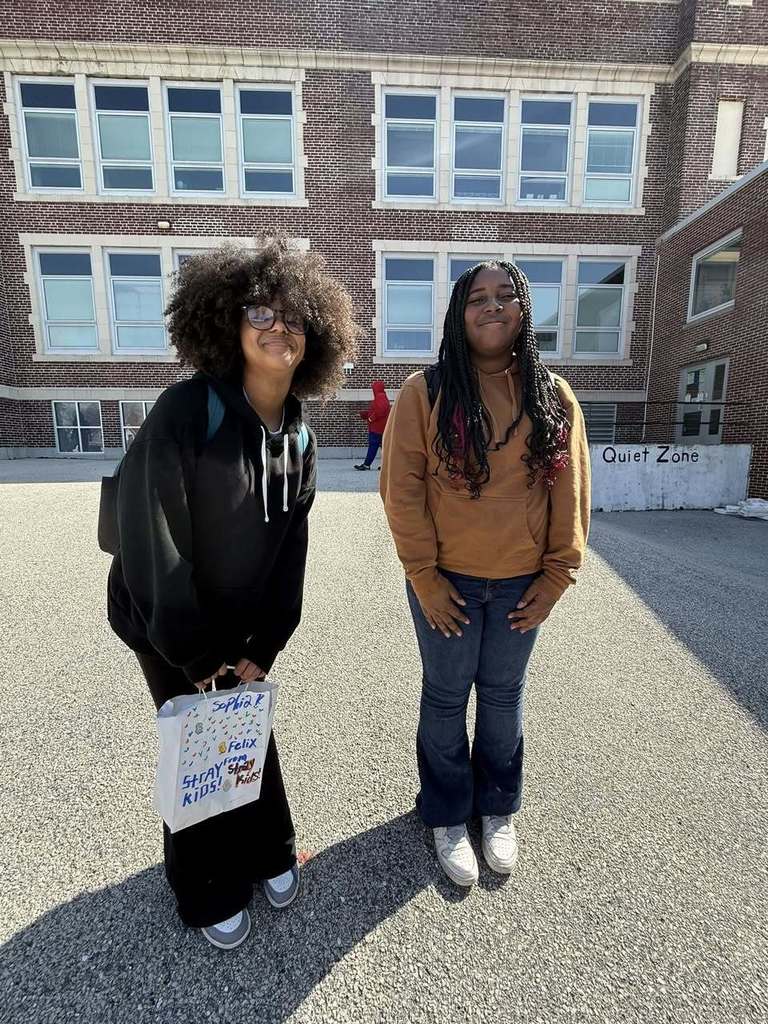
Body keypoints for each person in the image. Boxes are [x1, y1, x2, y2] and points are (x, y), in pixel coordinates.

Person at [107, 238, 358, 948]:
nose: (278, 327)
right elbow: (150, 534)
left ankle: (267, 849)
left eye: (295, 317)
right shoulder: (190, 410)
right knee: (196, 737)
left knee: (246, 724)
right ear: (228, 322)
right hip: (166, 621)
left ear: (316, 337)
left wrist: (264, 643)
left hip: (241, 625)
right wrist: (195, 650)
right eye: (260, 311)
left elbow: (290, 552)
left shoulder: (300, 436)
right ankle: (203, 886)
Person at [380, 261, 590, 887]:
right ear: (457, 312)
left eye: (506, 296)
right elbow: (402, 490)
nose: (491, 307)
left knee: (502, 698)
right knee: (446, 698)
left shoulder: (552, 394)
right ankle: (447, 812)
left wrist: (556, 577)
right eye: (478, 298)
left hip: (522, 585)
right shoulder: (427, 392)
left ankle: (496, 808)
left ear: (525, 310)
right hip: (449, 583)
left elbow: (570, 491)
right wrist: (424, 576)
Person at [354, 380, 390, 470]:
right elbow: (376, 411)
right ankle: (385, 466)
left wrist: (371, 418)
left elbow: (380, 411)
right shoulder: (381, 397)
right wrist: (363, 414)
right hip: (381, 428)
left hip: (377, 429)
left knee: (373, 447)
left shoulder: (380, 397)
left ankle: (367, 465)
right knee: (384, 448)